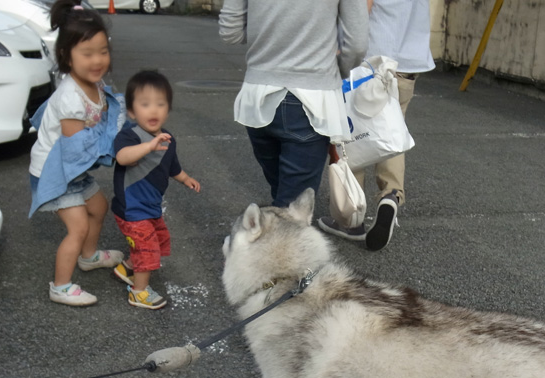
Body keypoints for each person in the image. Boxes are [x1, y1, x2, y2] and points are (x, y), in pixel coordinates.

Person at [219, 0, 369, 208]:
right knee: (293, 213)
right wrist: (336, 72)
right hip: (312, 98)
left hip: (257, 94)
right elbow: (357, 44)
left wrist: (268, 29)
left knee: (282, 196)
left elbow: (230, 32)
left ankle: (268, 235)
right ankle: (274, 239)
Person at [29, 0, 125, 306]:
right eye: (87, 54)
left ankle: (89, 256)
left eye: (103, 51)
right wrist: (117, 148)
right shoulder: (70, 96)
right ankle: (60, 285)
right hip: (54, 170)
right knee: (78, 225)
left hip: (73, 168)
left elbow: (106, 114)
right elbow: (76, 146)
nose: (97, 60)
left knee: (97, 208)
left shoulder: (95, 85)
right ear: (65, 56)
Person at [318, 0, 435, 251]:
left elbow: (362, 7)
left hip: (369, 62)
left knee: (350, 133)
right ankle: (391, 195)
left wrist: (339, 48)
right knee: (391, 130)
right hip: (408, 65)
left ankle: (351, 218)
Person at [109, 71, 201, 310]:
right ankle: (138, 292)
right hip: (132, 209)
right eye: (145, 104)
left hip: (150, 207)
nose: (154, 110)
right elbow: (122, 157)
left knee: (156, 240)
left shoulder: (168, 138)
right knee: (147, 248)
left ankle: (127, 267)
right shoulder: (129, 136)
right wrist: (148, 146)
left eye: (160, 104)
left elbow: (172, 167)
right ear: (131, 111)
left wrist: (186, 178)